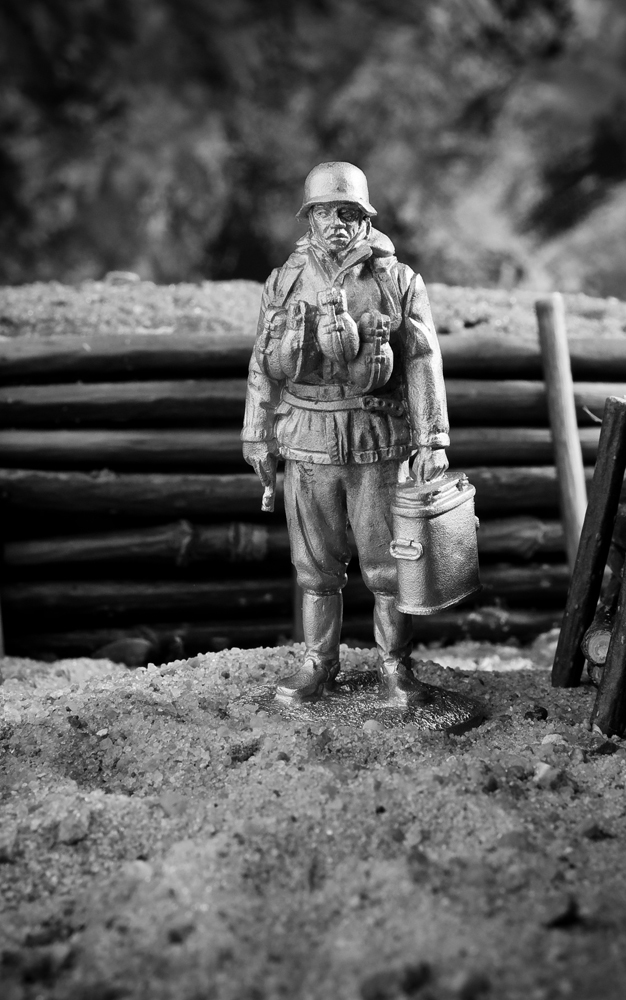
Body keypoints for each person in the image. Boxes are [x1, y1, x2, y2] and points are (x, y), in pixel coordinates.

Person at [241, 161, 450, 703]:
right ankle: (318, 662)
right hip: (306, 435)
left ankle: (394, 665)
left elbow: (423, 362)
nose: (338, 221)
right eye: (327, 211)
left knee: (388, 565)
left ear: (364, 217)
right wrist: (256, 434)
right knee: (314, 566)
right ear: (309, 217)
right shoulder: (284, 281)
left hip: (377, 437)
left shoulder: (396, 279)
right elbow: (262, 363)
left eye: (349, 211)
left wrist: (432, 440)